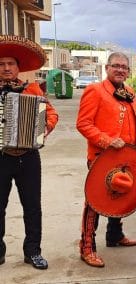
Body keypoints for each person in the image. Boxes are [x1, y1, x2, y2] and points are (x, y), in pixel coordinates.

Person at [76, 52, 136, 267]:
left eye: (124, 67)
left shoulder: (131, 93)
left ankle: (114, 235)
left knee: (120, 196)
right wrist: (106, 141)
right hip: (101, 157)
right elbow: (83, 124)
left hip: (126, 157)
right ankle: (86, 247)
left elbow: (134, 124)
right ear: (107, 68)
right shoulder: (95, 91)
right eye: (116, 66)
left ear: (128, 71)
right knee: (95, 202)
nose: (120, 70)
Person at [0, 35, 58, 269]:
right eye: (1, 64)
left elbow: (51, 114)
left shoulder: (32, 89)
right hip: (1, 157)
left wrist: (45, 126)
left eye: (10, 64)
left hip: (28, 157)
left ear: (18, 67)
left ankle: (32, 251)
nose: (6, 68)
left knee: (33, 207)